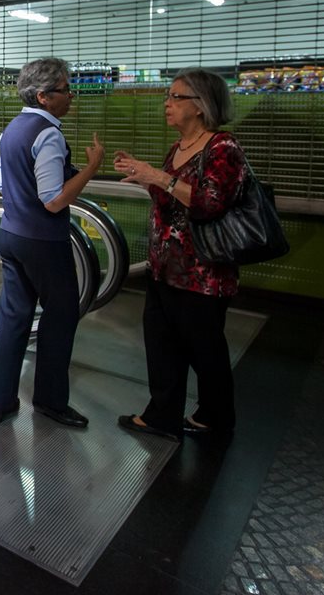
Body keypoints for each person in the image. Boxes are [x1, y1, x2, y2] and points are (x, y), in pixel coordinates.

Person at [112, 68, 246, 441]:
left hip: (202, 272)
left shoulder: (223, 148)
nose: (167, 104)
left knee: (205, 351)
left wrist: (157, 176)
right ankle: (162, 415)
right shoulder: (179, 148)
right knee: (162, 345)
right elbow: (171, 198)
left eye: (175, 97)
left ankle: (216, 417)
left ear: (200, 106)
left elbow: (208, 203)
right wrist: (145, 176)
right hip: (165, 267)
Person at [0, 58, 104, 429]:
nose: (71, 96)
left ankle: (0, 401)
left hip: (11, 234)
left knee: (14, 317)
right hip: (43, 241)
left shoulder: (12, 129)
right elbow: (53, 199)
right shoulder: (48, 134)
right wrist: (91, 168)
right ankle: (51, 401)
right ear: (43, 96)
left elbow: (2, 184)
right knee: (62, 315)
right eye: (66, 90)